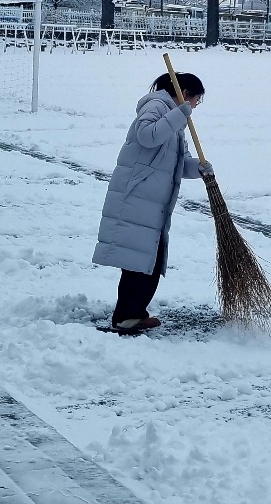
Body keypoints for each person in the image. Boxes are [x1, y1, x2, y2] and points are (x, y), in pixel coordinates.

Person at [91, 71, 213, 333]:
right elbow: (147, 135)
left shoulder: (174, 117)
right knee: (140, 262)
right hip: (137, 196)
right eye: (196, 99)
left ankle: (134, 313)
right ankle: (126, 318)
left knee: (150, 262)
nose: (195, 105)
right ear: (184, 93)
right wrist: (179, 114)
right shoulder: (156, 105)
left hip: (152, 200)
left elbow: (177, 162)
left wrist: (199, 169)